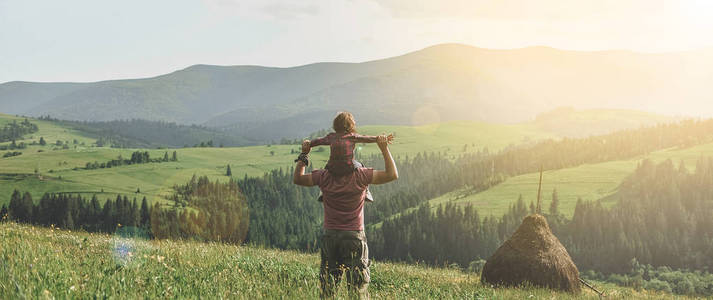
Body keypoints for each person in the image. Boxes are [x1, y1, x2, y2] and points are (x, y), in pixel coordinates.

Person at [293, 132, 398, 299]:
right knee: (357, 292)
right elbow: (392, 174)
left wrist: (304, 154)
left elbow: (298, 178)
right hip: (354, 237)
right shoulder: (361, 175)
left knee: (327, 291)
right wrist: (384, 148)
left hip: (330, 237)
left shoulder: (324, 176)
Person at [303, 111, 394, 203]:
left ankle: (322, 191)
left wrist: (309, 144)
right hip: (348, 167)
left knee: (326, 169)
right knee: (360, 165)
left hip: (332, 168)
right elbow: (366, 138)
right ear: (350, 125)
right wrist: (378, 138)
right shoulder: (352, 136)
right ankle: (366, 191)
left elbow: (319, 141)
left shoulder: (331, 137)